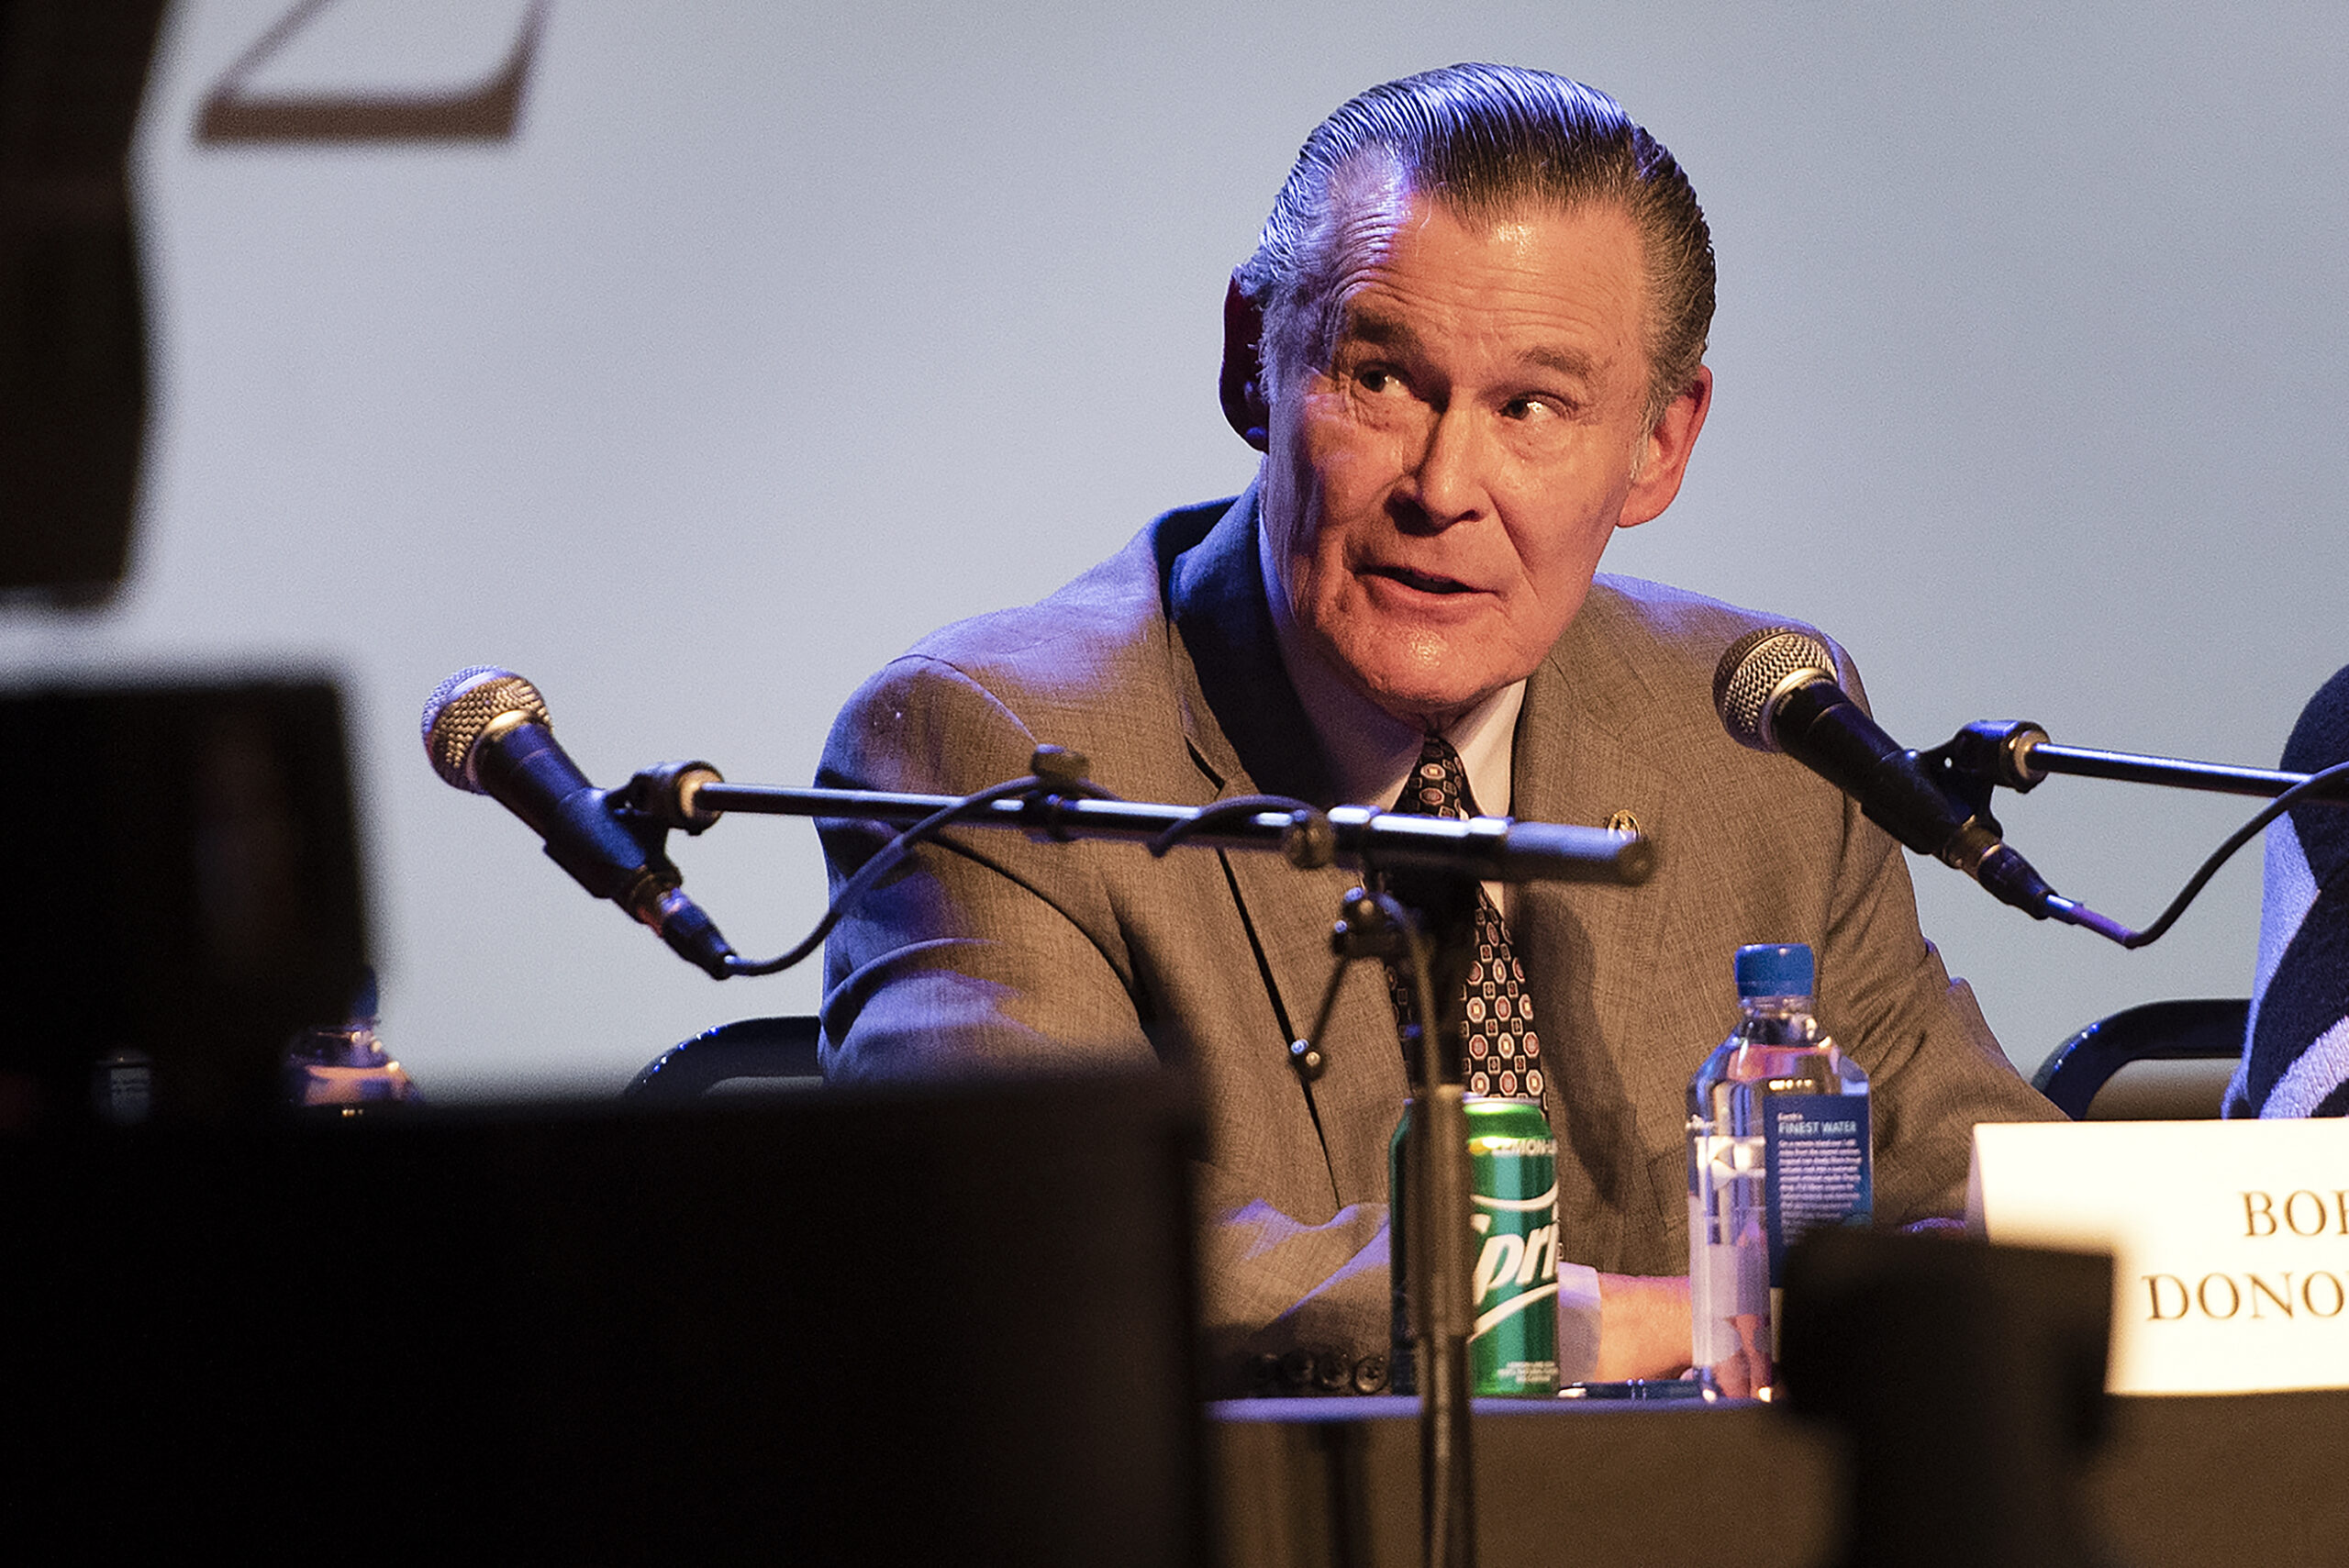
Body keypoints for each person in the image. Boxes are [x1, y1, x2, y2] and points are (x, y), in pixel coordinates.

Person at [816, 63, 2061, 1394]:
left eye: (1532, 406)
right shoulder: (982, 743)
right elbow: (1033, 1240)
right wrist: (1613, 1318)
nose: (1444, 487)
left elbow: (1991, 1188)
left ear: (1660, 443)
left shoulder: (1757, 740)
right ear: (1255, 361)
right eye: (1382, 378)